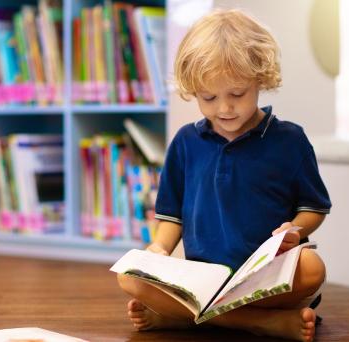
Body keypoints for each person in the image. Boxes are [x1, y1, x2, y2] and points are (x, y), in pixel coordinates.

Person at [117, 8, 331, 342]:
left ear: (260, 79)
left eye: (237, 94)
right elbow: (171, 216)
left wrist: (295, 229)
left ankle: (183, 318)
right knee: (130, 277)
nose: (224, 108)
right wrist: (159, 247)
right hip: (201, 275)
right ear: (193, 89)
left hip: (263, 275)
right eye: (209, 97)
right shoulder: (186, 142)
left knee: (313, 267)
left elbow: (314, 207)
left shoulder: (289, 140)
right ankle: (262, 322)